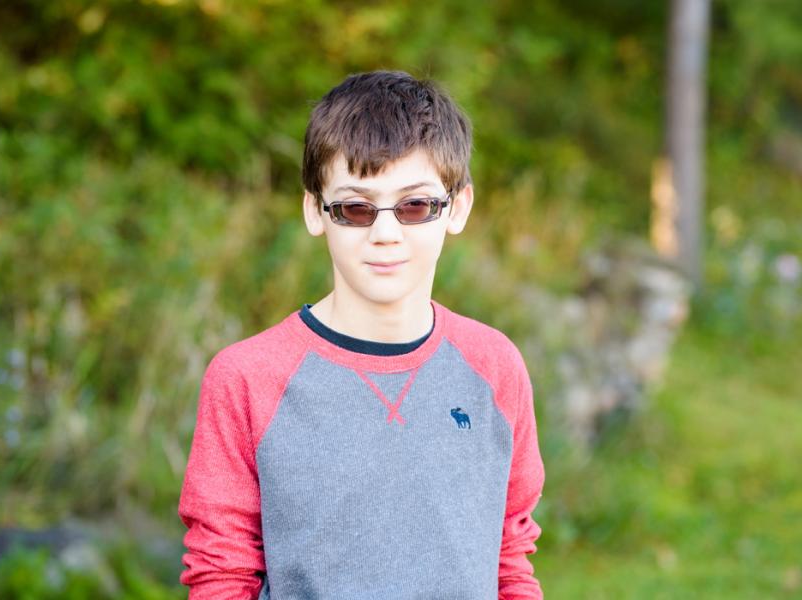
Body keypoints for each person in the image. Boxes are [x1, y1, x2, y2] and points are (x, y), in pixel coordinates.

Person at [177, 71, 545, 599]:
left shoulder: (494, 365)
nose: (386, 233)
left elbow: (509, 556)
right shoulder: (246, 378)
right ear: (314, 212)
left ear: (457, 208)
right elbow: (222, 575)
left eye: (415, 205)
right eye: (356, 207)